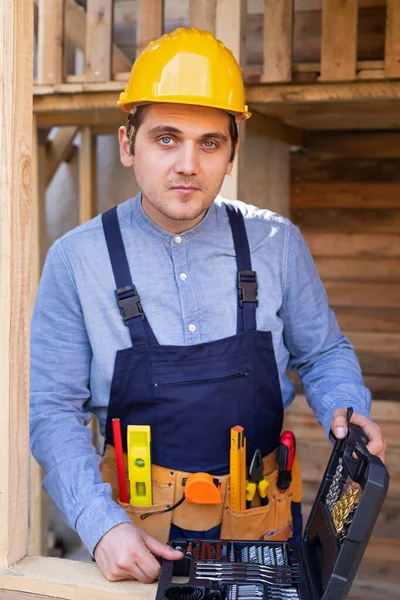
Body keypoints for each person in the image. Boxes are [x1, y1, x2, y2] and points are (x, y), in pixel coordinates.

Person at [30, 27, 386, 584]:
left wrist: (345, 401)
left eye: (210, 143)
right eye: (166, 138)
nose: (188, 165)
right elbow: (53, 411)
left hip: (263, 533)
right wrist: (100, 526)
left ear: (232, 152)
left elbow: (322, 352)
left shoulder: (277, 243)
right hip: (138, 544)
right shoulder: (77, 260)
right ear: (128, 144)